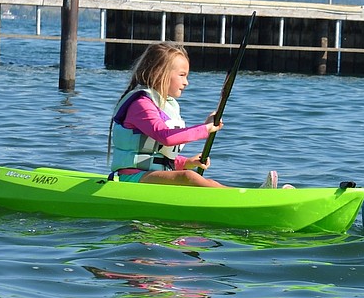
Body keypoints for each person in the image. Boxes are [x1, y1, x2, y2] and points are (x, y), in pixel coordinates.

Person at [108, 42, 286, 188]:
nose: (186, 82)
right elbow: (165, 137)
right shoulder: (141, 105)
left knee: (195, 177)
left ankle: (249, 195)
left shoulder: (165, 106)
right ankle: (250, 198)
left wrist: (186, 162)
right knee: (188, 178)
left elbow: (157, 156)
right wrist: (205, 129)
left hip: (148, 177)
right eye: (182, 75)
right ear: (159, 73)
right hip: (130, 179)